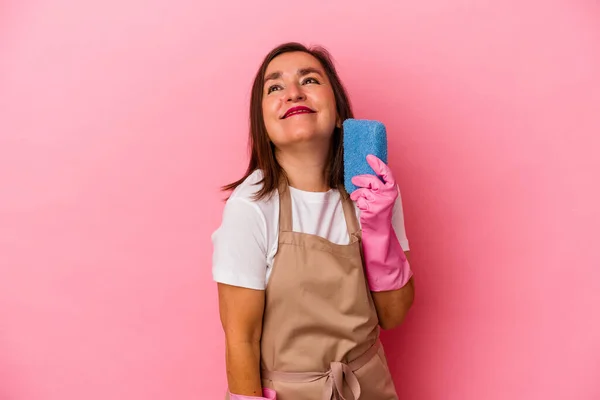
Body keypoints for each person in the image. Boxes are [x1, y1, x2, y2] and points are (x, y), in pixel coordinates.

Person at [211, 42, 415, 400]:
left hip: (370, 387)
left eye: (309, 80)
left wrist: (379, 226)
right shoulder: (252, 206)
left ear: (338, 111)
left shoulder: (371, 190)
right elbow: (240, 338)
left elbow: (393, 316)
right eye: (274, 87)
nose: (292, 93)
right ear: (263, 123)